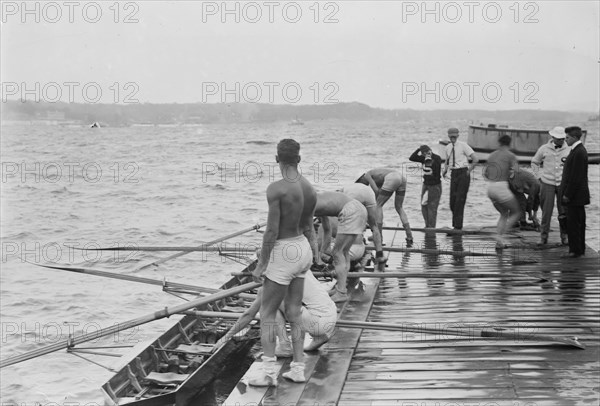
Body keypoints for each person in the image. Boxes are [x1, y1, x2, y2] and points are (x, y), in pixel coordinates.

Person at [250, 139, 316, 386]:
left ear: (277, 158)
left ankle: (268, 374)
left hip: (284, 250)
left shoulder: (277, 188)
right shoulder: (309, 187)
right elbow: (309, 226)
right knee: (294, 312)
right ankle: (297, 369)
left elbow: (271, 232)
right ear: (298, 159)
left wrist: (261, 265)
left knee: (267, 313)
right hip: (302, 248)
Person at [217, 271, 337, 356]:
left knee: (268, 303)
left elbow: (249, 315)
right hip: (332, 316)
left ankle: (284, 346)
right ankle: (319, 337)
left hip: (318, 322)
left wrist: (225, 338)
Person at [311, 191, 368, 303]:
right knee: (343, 252)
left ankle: (341, 292)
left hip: (350, 211)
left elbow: (312, 237)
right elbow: (327, 229)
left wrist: (317, 259)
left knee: (337, 253)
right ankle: (340, 289)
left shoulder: (304, 205)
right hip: (358, 208)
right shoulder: (315, 200)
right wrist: (322, 251)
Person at [531, 126, 571, 245]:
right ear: (552, 137)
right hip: (547, 183)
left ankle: (565, 237)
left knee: (563, 212)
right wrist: (538, 176)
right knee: (546, 212)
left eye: (562, 138)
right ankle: (544, 237)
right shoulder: (544, 148)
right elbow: (535, 162)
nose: (560, 140)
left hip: (563, 185)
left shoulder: (569, 150)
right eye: (557, 138)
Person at [355, 168, 413, 243]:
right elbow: (377, 194)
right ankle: (409, 235)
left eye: (359, 182)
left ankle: (379, 236)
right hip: (401, 178)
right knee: (399, 207)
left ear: (361, 177)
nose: (362, 184)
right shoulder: (377, 176)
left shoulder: (367, 175)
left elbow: (376, 191)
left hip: (392, 178)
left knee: (378, 206)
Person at [484, 134, 521, 250]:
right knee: (517, 212)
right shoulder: (511, 155)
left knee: (504, 214)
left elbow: (486, 174)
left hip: (490, 188)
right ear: (510, 144)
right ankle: (499, 237)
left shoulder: (491, 155)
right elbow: (516, 172)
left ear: (499, 143)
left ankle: (499, 242)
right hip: (501, 187)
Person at [561, 126, 590, 258]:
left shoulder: (578, 152)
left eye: (567, 137)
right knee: (577, 222)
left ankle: (576, 250)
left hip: (575, 196)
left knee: (574, 223)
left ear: (574, 137)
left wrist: (568, 194)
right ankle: (578, 249)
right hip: (577, 195)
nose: (565, 140)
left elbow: (576, 177)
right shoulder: (578, 151)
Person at [441, 128, 479, 230]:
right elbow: (447, 161)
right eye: (451, 136)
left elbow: (475, 159)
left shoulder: (463, 146)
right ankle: (455, 224)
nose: (452, 138)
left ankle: (457, 227)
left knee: (459, 201)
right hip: (453, 173)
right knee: (452, 202)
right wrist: (444, 171)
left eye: (454, 136)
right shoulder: (448, 147)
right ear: (448, 136)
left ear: (457, 136)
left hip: (463, 172)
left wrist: (468, 171)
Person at [341, 183, 385, 265]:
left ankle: (351, 249)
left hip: (352, 196)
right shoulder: (359, 187)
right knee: (374, 226)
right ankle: (380, 254)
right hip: (369, 194)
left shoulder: (342, 191)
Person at [409, 145, 442, 228]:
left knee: (432, 207)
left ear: (430, 151)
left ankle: (432, 227)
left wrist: (430, 160)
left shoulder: (437, 158)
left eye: (426, 153)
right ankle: (427, 225)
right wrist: (418, 149)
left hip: (435, 185)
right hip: (426, 184)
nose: (425, 155)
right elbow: (412, 158)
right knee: (423, 205)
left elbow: (437, 171)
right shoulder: (423, 158)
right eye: (423, 154)